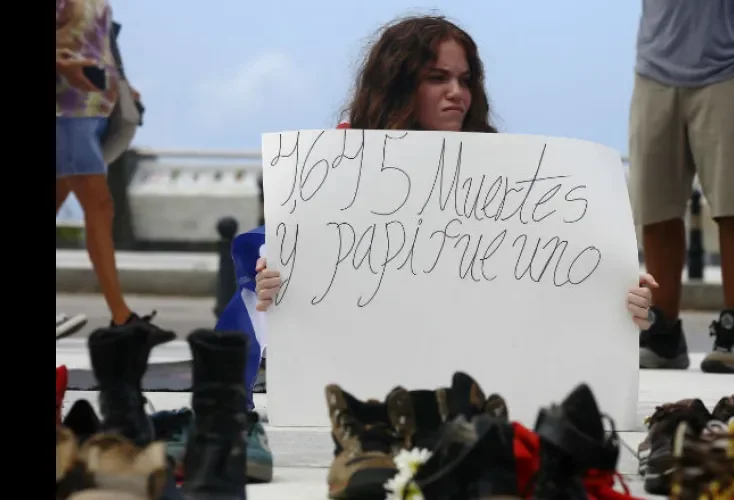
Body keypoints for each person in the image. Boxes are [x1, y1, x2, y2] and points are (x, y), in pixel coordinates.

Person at [241, 14, 657, 381]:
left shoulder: (507, 177)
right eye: (437, 78)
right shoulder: (335, 166)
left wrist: (618, 295)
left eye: (465, 79)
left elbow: (543, 285)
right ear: (397, 85)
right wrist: (273, 293)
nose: (457, 92)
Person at [628, 0, 734, 373]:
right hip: (655, 65)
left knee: (733, 202)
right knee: (654, 204)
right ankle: (664, 332)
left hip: (731, 65)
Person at [56, 0, 172, 341]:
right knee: (100, 206)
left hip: (93, 110)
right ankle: (121, 316)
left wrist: (121, 80)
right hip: (66, 110)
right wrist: (65, 68)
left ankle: (122, 318)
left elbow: (99, 39)